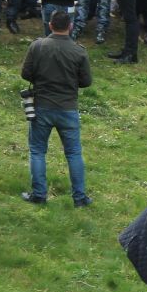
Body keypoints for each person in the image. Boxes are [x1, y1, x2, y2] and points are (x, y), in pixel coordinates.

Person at [20, 10, 93, 206]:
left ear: (50, 25)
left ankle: (39, 195)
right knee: (74, 153)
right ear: (69, 27)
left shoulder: (37, 46)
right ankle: (79, 198)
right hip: (68, 108)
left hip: (41, 106)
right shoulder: (79, 51)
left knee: (37, 151)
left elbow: (25, 74)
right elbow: (86, 81)